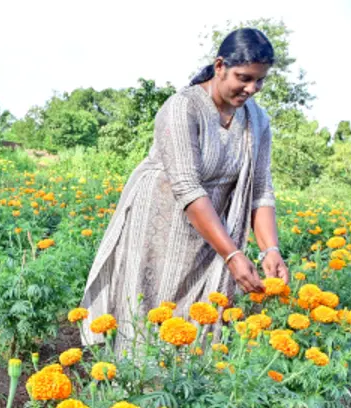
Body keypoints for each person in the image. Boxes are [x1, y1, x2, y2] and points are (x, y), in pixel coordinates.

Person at [80, 28, 289, 349]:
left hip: (211, 231)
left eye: (259, 81)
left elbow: (260, 190)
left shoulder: (257, 120)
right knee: (147, 316)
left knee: (198, 322)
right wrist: (232, 254)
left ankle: (183, 393)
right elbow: (187, 187)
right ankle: (130, 390)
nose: (251, 88)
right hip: (159, 224)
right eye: (243, 77)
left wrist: (270, 249)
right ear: (219, 66)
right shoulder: (182, 108)